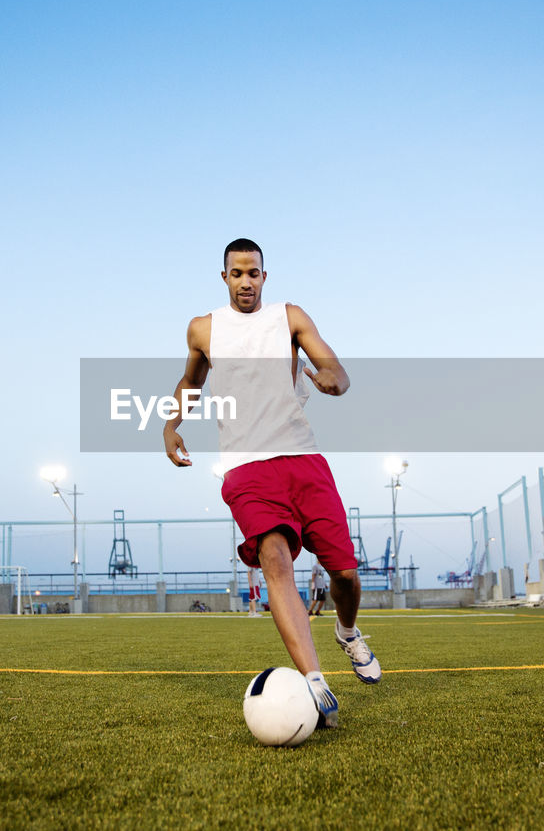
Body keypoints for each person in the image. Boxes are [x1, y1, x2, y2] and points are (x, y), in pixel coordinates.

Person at [164, 237, 380, 729]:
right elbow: (191, 382)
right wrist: (171, 423)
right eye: (237, 273)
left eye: (254, 273)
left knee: (344, 574)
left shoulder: (290, 316)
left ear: (265, 276)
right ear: (224, 278)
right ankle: (315, 682)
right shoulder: (204, 328)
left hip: (302, 458)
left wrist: (333, 382)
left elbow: (335, 368)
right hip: (246, 468)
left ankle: (347, 632)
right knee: (275, 560)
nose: (246, 281)